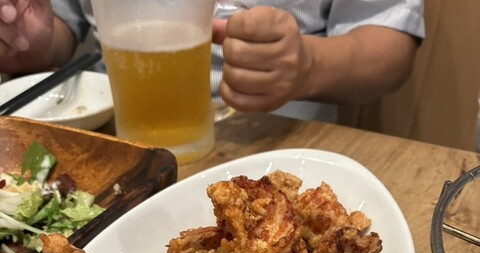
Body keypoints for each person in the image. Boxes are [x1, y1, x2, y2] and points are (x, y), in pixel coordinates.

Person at [0, 0, 424, 122]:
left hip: (278, 136)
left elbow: (389, 43)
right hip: (112, 130)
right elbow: (64, 27)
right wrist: (31, 40)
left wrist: (308, 65)